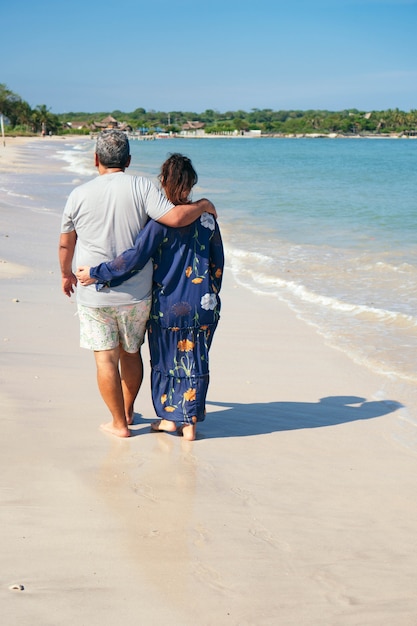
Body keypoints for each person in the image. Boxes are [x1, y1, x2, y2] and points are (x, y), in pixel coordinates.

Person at [59, 132, 217, 439]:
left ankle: (119, 423)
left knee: (106, 358)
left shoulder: (78, 194)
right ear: (128, 161)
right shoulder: (142, 186)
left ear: (95, 159)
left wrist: (66, 273)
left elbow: (66, 243)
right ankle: (130, 409)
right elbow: (173, 218)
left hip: (95, 293)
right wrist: (202, 206)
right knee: (131, 354)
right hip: (137, 294)